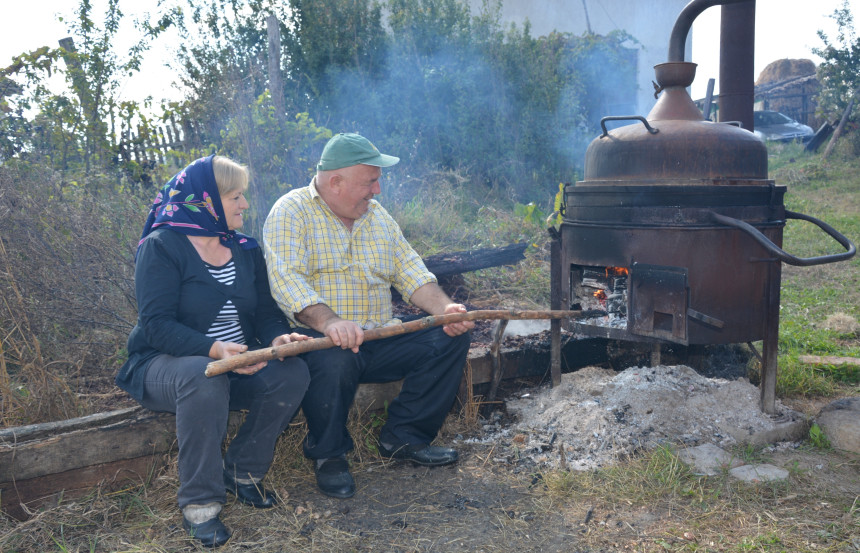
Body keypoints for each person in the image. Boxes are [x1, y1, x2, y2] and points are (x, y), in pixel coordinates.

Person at [262, 132, 473, 499]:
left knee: (448, 336)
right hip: (323, 341)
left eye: (377, 180)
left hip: (380, 338)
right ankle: (328, 454)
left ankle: (404, 438)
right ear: (335, 182)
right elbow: (286, 280)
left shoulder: (376, 216)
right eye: (369, 182)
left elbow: (410, 270)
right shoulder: (290, 211)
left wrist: (445, 311)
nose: (377, 190)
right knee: (332, 358)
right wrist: (330, 323)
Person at [116, 155, 310, 548]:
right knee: (202, 377)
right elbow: (156, 325)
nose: (244, 205)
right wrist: (214, 350)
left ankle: (242, 471)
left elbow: (267, 314)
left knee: (293, 373)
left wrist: (276, 341)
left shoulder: (243, 248)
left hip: (232, 362)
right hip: (163, 366)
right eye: (236, 196)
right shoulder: (162, 247)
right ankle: (200, 503)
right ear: (206, 201)